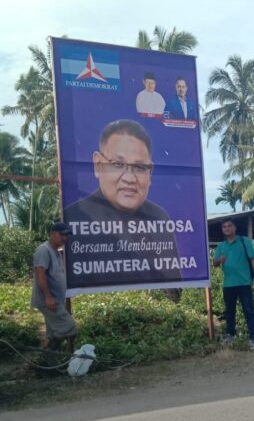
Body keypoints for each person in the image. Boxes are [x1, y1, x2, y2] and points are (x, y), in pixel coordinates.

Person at [64, 120, 180, 287]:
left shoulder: (158, 218)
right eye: (118, 165)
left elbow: (174, 289)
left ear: (150, 172)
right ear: (98, 165)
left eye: (140, 167)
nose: (129, 178)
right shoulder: (74, 217)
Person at [213, 219, 254, 350]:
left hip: (244, 283)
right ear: (222, 230)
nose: (227, 228)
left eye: (229, 226)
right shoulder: (221, 246)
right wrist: (219, 260)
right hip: (228, 285)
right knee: (229, 312)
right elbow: (214, 263)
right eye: (224, 227)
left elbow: (253, 259)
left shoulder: (244, 241)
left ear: (235, 228)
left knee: (249, 311)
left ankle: (253, 339)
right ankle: (231, 336)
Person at [31, 223, 78, 355]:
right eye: (61, 234)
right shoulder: (43, 250)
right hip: (49, 300)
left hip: (54, 299)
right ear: (52, 233)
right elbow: (40, 274)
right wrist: (48, 296)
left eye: (66, 236)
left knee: (53, 331)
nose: (64, 238)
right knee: (69, 327)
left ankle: (48, 363)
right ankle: (46, 353)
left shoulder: (55, 251)